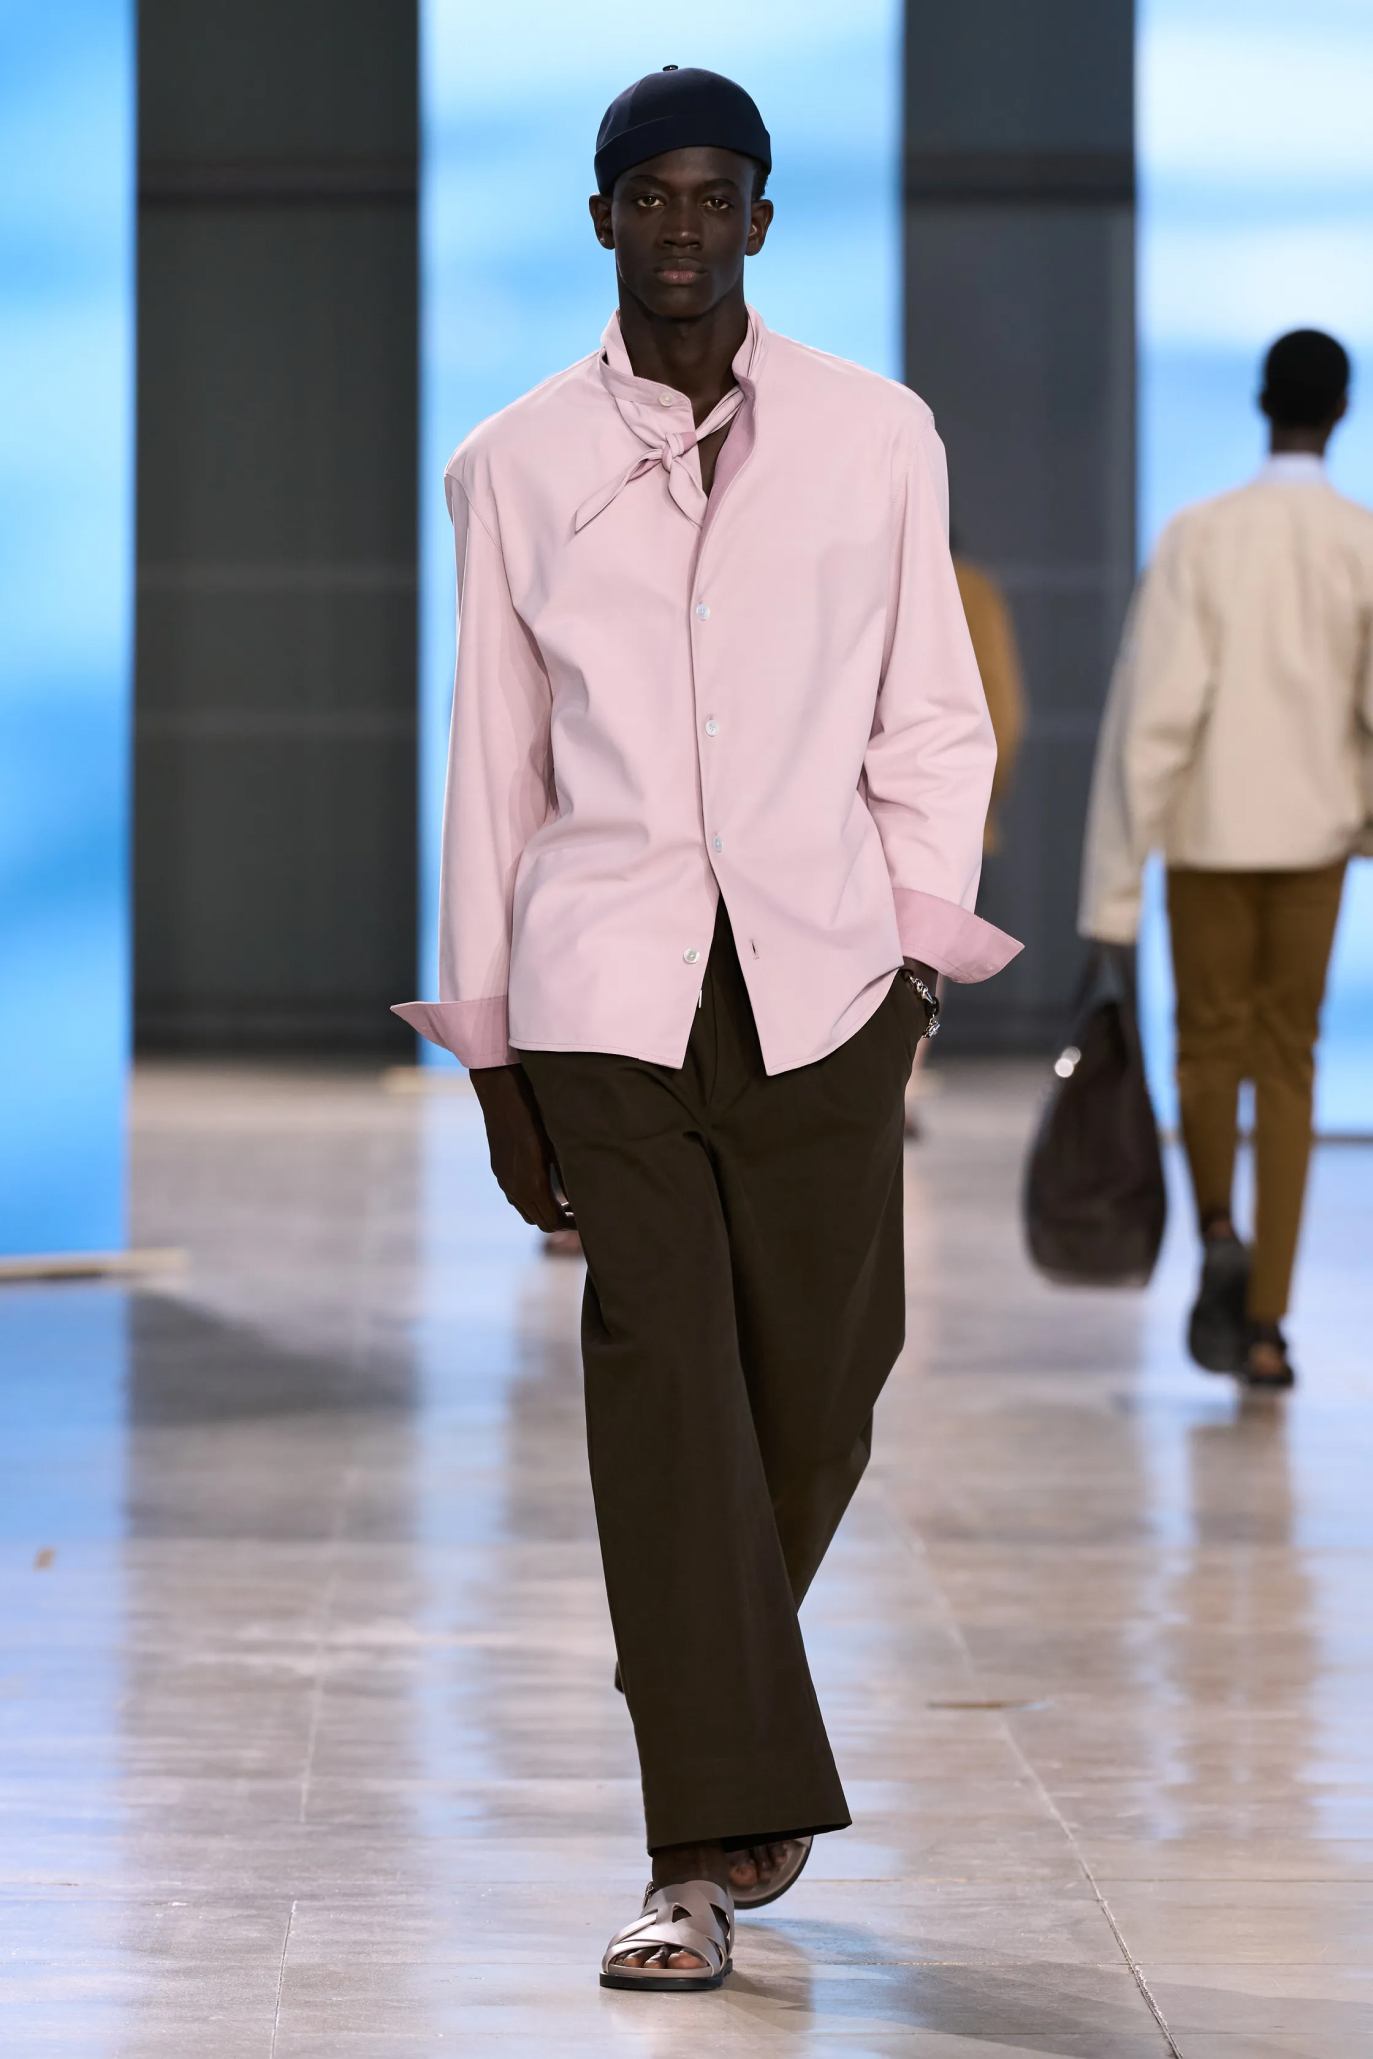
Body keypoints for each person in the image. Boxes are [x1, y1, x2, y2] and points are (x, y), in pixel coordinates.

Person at [395, 65, 1019, 1990]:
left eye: (710, 194)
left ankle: (695, 1655)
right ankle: (690, 1853)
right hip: (601, 984)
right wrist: (490, 1052)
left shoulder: (876, 436)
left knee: (827, 1368)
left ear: (758, 216)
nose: (678, 227)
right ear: (601, 219)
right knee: (662, 1374)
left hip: (824, 976)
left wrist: (912, 969)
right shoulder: (510, 465)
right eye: (646, 196)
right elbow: (492, 764)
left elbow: (931, 717)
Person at [1079, 328, 1373, 1391]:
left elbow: (1153, 718)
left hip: (1205, 838)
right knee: (1287, 1061)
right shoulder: (1359, 541)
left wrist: (1113, 888)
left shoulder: (1199, 535)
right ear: (1339, 411)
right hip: (1314, 838)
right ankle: (1265, 1324)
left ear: (1260, 403)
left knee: (1205, 1049)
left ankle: (1214, 1230)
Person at [905, 549, 1026, 1133]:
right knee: (919, 937)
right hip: (939, 800)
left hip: (839, 797)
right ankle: (900, 1081)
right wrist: (981, 799)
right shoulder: (969, 588)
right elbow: (1000, 706)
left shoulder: (834, 562)